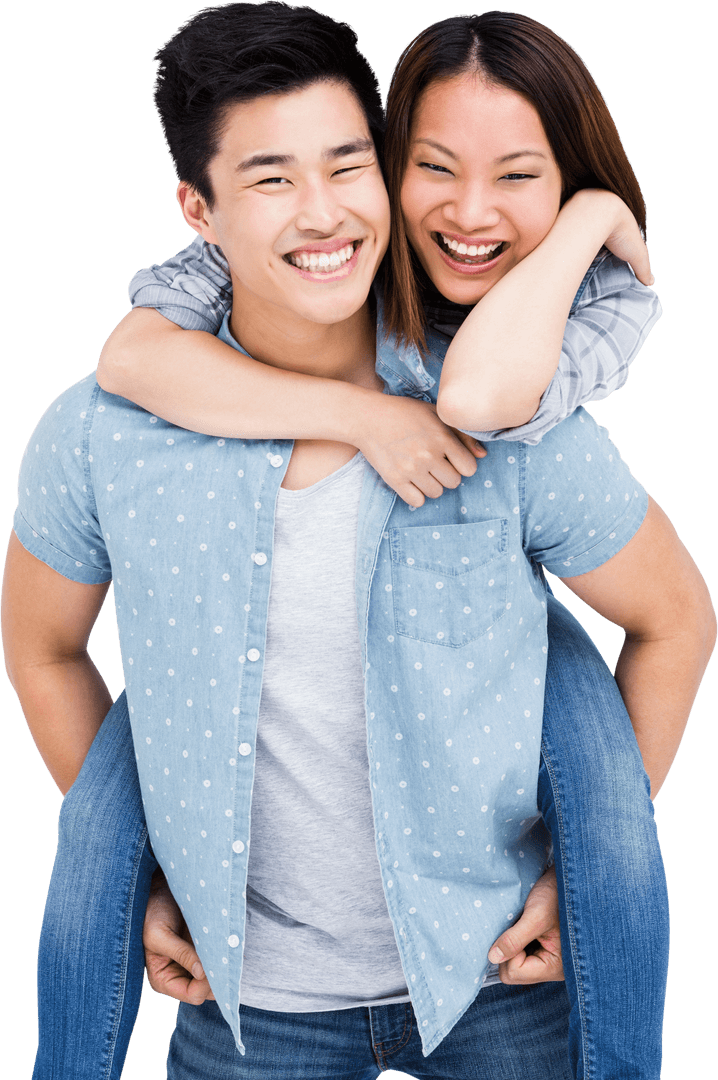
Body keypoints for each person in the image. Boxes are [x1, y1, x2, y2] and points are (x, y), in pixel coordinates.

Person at [2, 5, 713, 1080]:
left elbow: (675, 618)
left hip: (494, 986)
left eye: (348, 165)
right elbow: (44, 647)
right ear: (198, 207)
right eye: (272, 179)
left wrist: (587, 876)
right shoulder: (104, 435)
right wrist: (146, 878)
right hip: (253, 1011)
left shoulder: (506, 422)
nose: (324, 213)